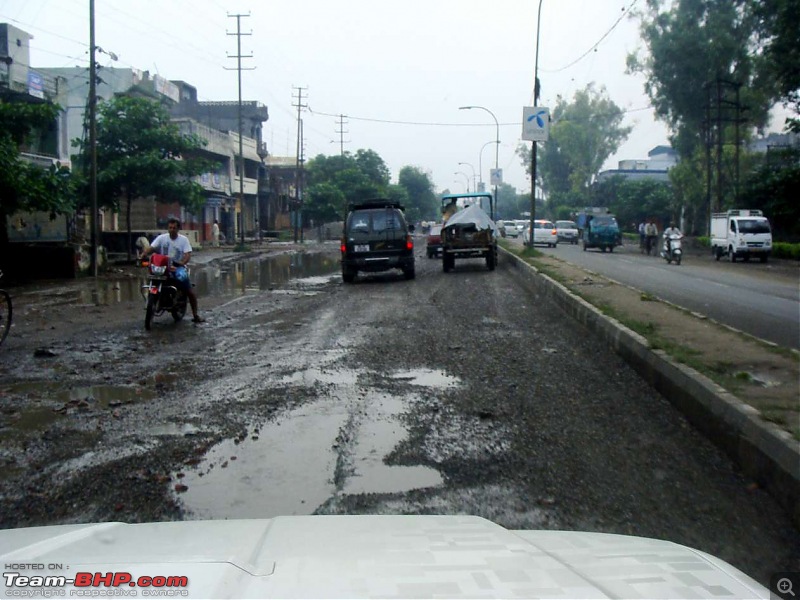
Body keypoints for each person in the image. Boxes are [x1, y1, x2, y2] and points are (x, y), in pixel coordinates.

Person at [141, 218, 205, 323]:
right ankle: (155, 302)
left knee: (189, 290)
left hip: (177, 268)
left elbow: (187, 254)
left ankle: (196, 315)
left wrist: (182, 263)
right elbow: (151, 248)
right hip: (162, 268)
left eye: (174, 228)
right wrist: (143, 254)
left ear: (178, 228)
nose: (172, 230)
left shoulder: (183, 240)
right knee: (152, 280)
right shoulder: (161, 238)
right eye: (170, 228)